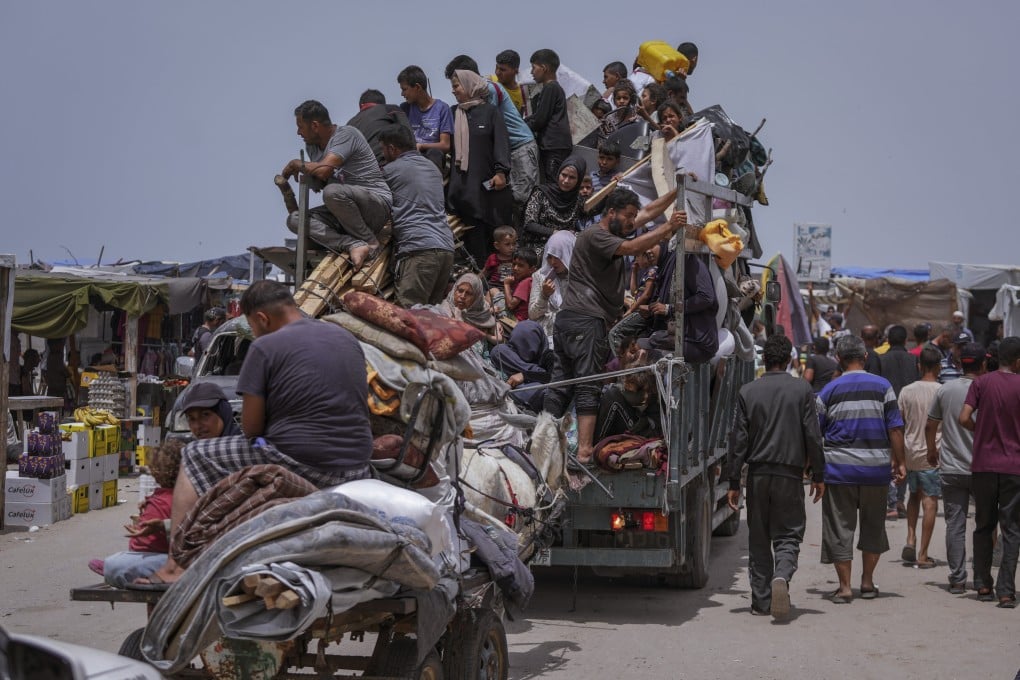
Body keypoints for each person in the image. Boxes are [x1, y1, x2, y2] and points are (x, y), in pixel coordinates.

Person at [137, 281, 373, 587]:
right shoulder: (347, 339)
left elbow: (251, 428)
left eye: (253, 327)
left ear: (261, 318)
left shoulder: (265, 347)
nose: (255, 335)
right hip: (356, 465)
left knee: (195, 454)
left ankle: (175, 566)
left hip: (304, 462)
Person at [542, 188, 684, 464]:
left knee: (561, 384)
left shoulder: (614, 229)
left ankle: (544, 441)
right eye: (628, 217)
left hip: (571, 319)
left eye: (633, 217)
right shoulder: (597, 236)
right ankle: (583, 450)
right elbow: (632, 248)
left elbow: (646, 212)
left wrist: (675, 192)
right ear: (611, 214)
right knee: (587, 385)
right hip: (585, 321)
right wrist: (669, 226)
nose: (633, 222)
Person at [726, 334, 825, 619]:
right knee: (788, 535)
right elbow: (812, 435)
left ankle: (760, 602)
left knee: (758, 539)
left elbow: (738, 441)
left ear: (764, 360)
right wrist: (819, 474)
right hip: (789, 475)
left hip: (757, 475)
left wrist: (734, 482)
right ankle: (781, 575)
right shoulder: (802, 389)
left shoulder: (748, 391)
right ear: (789, 359)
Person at [816, 335, 906, 603]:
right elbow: (895, 428)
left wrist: (812, 468)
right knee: (873, 526)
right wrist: (900, 462)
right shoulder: (883, 386)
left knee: (839, 527)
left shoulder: (829, 390)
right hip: (875, 470)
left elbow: (814, 431)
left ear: (838, 359)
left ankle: (844, 588)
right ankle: (867, 583)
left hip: (839, 471)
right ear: (865, 357)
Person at [282, 100, 392, 269]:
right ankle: (352, 244)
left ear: (315, 125)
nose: (298, 132)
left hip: (374, 206)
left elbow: (324, 170)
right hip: (344, 212)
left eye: (301, 126)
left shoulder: (346, 134)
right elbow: (321, 181)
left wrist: (296, 164)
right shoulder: (312, 147)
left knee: (332, 192)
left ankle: (371, 243)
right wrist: (309, 176)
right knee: (295, 220)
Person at [960, 336, 1020, 608]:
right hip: (1014, 467)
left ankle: (983, 584)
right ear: (1018, 361)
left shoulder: (980, 383)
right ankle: (1006, 591)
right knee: (1012, 529)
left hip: (983, 464)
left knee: (984, 525)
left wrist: (981, 430)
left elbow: (963, 418)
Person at [927, 342, 986, 594]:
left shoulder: (945, 390)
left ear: (960, 363)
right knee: (985, 524)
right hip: (984, 467)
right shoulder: (989, 388)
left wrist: (931, 450)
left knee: (955, 524)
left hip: (951, 467)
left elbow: (931, 425)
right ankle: (982, 580)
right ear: (983, 364)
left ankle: (958, 579)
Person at [445, 54, 538, 214]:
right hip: (508, 150)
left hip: (520, 147)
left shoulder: (487, 90)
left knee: (523, 198)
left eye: (457, 81)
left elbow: (488, 126)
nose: (454, 88)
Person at [378, 124, 455, 307]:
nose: (383, 155)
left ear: (392, 148)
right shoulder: (432, 168)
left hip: (418, 250)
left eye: (383, 150)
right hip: (446, 249)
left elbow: (374, 201)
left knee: (409, 316)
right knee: (431, 316)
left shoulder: (390, 171)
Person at [446, 69, 513, 268]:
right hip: (462, 186)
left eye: (456, 86)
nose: (454, 91)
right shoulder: (453, 113)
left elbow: (501, 143)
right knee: (471, 238)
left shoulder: (490, 112)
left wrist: (501, 171)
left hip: (487, 185)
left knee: (490, 233)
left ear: (469, 85)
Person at [94, 440, 183, 587]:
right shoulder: (167, 497)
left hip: (159, 557)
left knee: (114, 563)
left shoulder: (170, 499)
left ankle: (116, 570)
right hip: (157, 555)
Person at [898, 348, 943, 569]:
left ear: (919, 366)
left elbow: (899, 424)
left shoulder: (906, 391)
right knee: (930, 501)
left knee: (913, 496)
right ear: (939, 367)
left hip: (910, 451)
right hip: (932, 454)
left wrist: (897, 459)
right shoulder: (942, 391)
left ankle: (910, 538)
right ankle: (923, 555)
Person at [520, 155, 590, 253]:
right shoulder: (541, 193)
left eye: (572, 177)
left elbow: (594, 209)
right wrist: (556, 233)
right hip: (537, 245)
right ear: (558, 174)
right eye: (564, 175)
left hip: (564, 246)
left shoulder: (578, 199)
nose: (566, 181)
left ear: (579, 180)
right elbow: (529, 224)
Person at [525, 49, 572, 182]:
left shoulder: (550, 88)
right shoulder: (553, 88)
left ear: (544, 68)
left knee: (554, 183)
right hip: (556, 145)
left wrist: (520, 127)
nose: (531, 72)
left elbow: (540, 119)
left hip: (554, 146)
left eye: (533, 68)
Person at [397, 65, 453, 170]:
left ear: (417, 87)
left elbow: (445, 145)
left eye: (405, 89)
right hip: (411, 160)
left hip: (433, 160)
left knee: (434, 153)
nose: (402, 94)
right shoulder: (405, 109)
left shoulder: (442, 108)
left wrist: (421, 146)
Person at [490, 320, 553, 413]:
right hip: (516, 387)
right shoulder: (511, 352)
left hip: (537, 390)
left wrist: (525, 375)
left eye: (527, 343)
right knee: (498, 350)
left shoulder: (549, 357)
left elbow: (557, 378)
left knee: (540, 391)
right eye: (518, 344)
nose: (522, 348)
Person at [528, 229, 575, 340]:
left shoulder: (580, 277)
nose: (552, 262)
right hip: (546, 333)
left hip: (572, 332)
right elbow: (532, 314)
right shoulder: (540, 276)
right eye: (549, 256)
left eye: (558, 257)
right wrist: (544, 295)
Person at [346, 89, 411, 165]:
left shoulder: (349, 124)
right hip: (386, 166)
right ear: (383, 104)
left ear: (361, 106)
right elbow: (408, 134)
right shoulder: (389, 109)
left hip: (358, 173)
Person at [442, 273, 500, 346]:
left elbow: (499, 339)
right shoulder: (445, 308)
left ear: (476, 297)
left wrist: (492, 327)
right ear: (454, 290)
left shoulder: (481, 313)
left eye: (469, 293)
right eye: (460, 290)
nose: (462, 296)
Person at [503, 248, 538, 322]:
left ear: (532, 269)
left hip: (516, 320)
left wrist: (506, 284)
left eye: (520, 266)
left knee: (493, 291)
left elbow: (510, 305)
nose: (515, 268)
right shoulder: (524, 280)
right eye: (514, 264)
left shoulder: (526, 282)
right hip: (521, 319)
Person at [482, 225, 518, 290]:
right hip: (494, 286)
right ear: (497, 245)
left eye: (514, 243)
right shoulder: (493, 258)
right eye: (507, 244)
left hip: (511, 287)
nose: (511, 247)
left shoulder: (516, 258)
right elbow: (484, 273)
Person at [493, 49, 525, 114]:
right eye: (496, 67)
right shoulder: (490, 82)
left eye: (502, 70)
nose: (497, 72)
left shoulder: (523, 94)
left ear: (515, 71)